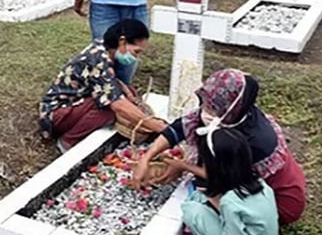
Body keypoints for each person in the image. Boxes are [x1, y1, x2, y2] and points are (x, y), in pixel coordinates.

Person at [130, 69, 307, 225]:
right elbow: (179, 128)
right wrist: (147, 157)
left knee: (201, 207)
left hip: (281, 202)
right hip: (243, 179)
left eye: (212, 108)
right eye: (205, 104)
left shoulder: (256, 140)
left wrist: (183, 166)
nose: (205, 111)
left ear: (232, 108)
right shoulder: (226, 113)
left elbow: (233, 177)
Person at [38, 19, 164, 153]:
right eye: (136, 52)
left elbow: (105, 79)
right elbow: (117, 104)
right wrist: (156, 126)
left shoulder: (101, 47)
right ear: (122, 42)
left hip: (70, 105)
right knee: (109, 109)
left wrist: (125, 90)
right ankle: (69, 141)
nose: (136, 57)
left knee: (127, 93)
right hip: (56, 115)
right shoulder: (97, 60)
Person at [178, 128, 279, 235]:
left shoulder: (230, 202)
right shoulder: (260, 184)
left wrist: (221, 219)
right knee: (202, 198)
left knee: (192, 210)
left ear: (214, 166)